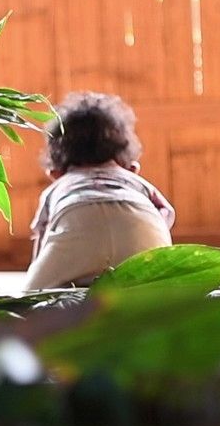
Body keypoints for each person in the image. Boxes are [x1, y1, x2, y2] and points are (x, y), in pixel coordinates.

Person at [22, 91, 174, 290]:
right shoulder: (135, 182)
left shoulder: (60, 186)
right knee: (158, 286)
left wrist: (36, 278)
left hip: (77, 222)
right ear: (132, 167)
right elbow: (166, 212)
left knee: (33, 299)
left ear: (55, 172)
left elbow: (42, 234)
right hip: (141, 241)